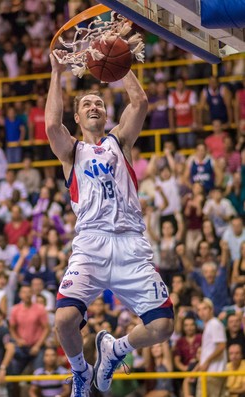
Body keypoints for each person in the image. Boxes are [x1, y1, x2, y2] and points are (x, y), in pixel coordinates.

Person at [45, 52, 174, 397]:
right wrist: (57, 73)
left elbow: (140, 101)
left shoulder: (121, 141)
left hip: (131, 243)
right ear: (77, 116)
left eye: (99, 103)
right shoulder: (70, 152)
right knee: (64, 320)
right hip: (91, 244)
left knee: (162, 327)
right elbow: (51, 127)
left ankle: (115, 349)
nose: (93, 107)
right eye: (86, 104)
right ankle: (80, 372)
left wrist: (121, 66)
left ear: (106, 113)